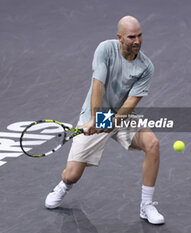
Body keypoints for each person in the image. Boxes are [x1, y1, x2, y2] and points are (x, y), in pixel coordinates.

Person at [45, 15, 165, 225]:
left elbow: (130, 103)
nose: (137, 41)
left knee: (153, 144)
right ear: (119, 37)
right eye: (131, 37)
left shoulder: (146, 67)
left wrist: (110, 122)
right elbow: (98, 84)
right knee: (71, 175)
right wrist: (95, 118)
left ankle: (146, 206)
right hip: (95, 114)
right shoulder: (105, 49)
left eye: (139, 35)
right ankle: (63, 186)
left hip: (122, 115)